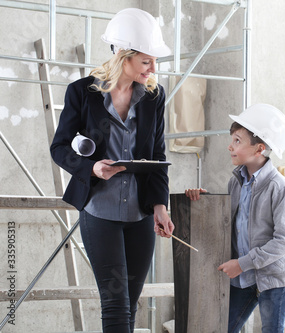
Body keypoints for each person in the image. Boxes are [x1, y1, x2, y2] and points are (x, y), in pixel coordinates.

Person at [50, 8, 174, 333]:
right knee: (116, 307)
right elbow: (59, 148)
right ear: (123, 55)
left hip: (141, 216)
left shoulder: (153, 97)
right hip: (99, 212)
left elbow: (157, 155)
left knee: (129, 306)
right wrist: (92, 168)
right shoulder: (81, 93)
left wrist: (160, 207)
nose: (153, 68)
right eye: (146, 61)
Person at [185, 104, 285, 333]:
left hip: (273, 278)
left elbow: (284, 242)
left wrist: (242, 263)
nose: (230, 146)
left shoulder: (279, 188)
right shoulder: (236, 182)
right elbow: (232, 223)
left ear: (259, 149)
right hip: (244, 276)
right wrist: (209, 204)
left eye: (237, 141)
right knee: (223, 328)